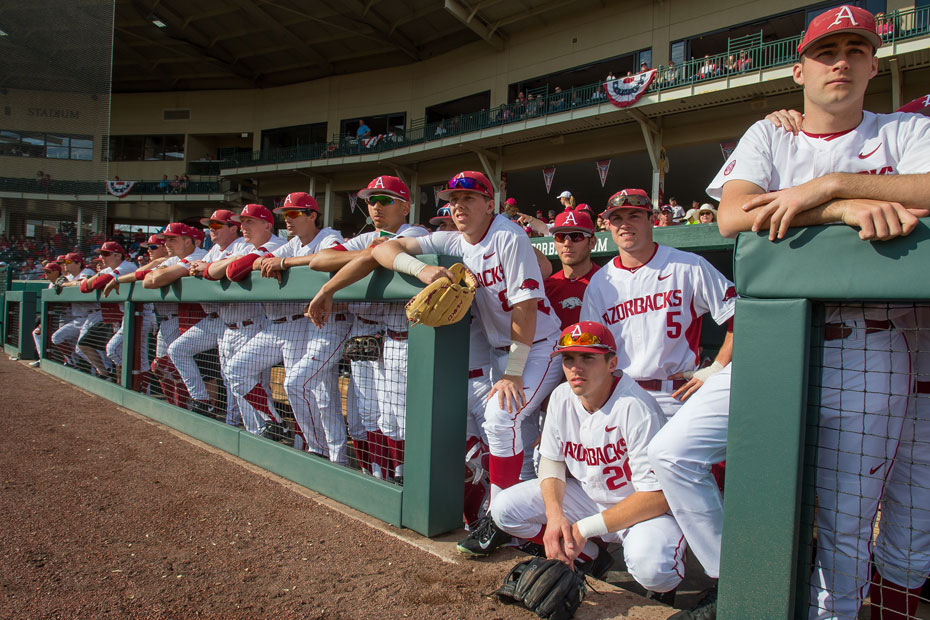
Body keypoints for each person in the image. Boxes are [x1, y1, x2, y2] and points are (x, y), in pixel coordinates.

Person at [709, 6, 930, 619]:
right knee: (682, 453)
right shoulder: (771, 132)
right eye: (826, 51)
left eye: (856, 50)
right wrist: (835, 210)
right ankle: (737, 592)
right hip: (773, 350)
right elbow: (733, 215)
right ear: (800, 69)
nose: (841, 61)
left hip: (872, 340)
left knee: (846, 519)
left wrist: (833, 184)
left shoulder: (902, 132)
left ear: (874, 64)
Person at [358, 170, 562, 556]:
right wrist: (420, 269)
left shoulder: (507, 236)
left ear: (490, 204)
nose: (458, 206)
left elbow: (526, 307)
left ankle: (498, 519)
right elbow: (382, 250)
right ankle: (525, 528)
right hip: (502, 353)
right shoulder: (452, 239)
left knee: (503, 420)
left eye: (468, 198)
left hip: (537, 347)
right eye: (453, 200)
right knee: (516, 437)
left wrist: (515, 372)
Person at [491, 321, 685, 595]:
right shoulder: (561, 396)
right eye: (568, 359)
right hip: (589, 498)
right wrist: (555, 514)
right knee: (504, 509)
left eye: (587, 358)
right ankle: (590, 556)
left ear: (611, 363)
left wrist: (582, 528)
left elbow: (657, 496)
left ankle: (667, 582)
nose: (575, 367)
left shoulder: (637, 408)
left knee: (655, 570)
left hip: (642, 511)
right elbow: (552, 461)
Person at [308, 175, 430, 481]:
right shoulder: (366, 238)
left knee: (398, 417)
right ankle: (378, 474)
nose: (376, 206)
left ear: (405, 206)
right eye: (371, 200)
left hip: (403, 337)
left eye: (385, 200)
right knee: (366, 417)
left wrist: (367, 259)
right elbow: (320, 260)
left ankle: (408, 475)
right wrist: (367, 255)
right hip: (364, 334)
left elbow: (387, 252)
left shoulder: (413, 232)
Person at [580, 189, 735, 421]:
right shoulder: (600, 282)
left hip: (676, 394)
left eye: (634, 216)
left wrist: (717, 367)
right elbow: (589, 347)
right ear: (608, 226)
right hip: (620, 395)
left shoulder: (688, 266)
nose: (624, 225)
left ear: (652, 220)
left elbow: (740, 314)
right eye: (617, 218)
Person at [226, 192, 346, 459]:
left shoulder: (326, 235)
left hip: (320, 324)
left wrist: (285, 263)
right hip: (289, 325)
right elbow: (238, 269)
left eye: (293, 214)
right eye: (284, 215)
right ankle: (280, 426)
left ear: (312, 215)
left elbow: (336, 254)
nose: (287, 220)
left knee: (323, 399)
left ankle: (330, 455)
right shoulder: (292, 244)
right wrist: (268, 260)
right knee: (237, 371)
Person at [204, 204, 287, 438]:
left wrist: (221, 265)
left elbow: (233, 271)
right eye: (242, 222)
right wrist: (217, 266)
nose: (243, 226)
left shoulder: (276, 245)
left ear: (268, 225)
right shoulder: (247, 246)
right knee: (236, 379)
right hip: (260, 324)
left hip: (269, 324)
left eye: (249, 221)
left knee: (304, 393)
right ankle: (258, 430)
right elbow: (208, 272)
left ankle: (270, 430)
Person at [169, 209, 248, 424]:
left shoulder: (241, 245)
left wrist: (208, 268)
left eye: (216, 226)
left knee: (235, 377)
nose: (211, 230)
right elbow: (197, 269)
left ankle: (236, 422)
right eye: (209, 227)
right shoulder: (214, 250)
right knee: (178, 349)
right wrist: (208, 268)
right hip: (217, 319)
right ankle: (202, 401)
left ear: (233, 228)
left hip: (246, 319)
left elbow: (239, 262)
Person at [142, 223, 207, 409]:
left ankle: (186, 406)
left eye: (172, 239)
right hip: (169, 319)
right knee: (161, 368)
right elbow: (144, 276)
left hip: (189, 318)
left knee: (175, 367)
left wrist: (160, 272)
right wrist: (158, 268)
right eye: (165, 240)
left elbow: (155, 279)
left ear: (189, 241)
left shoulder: (198, 256)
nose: (167, 244)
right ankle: (176, 405)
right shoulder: (174, 259)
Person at [544, 209, 599, 329]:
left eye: (576, 237)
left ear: (592, 242)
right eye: (560, 237)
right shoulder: (547, 287)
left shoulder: (606, 283)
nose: (567, 243)